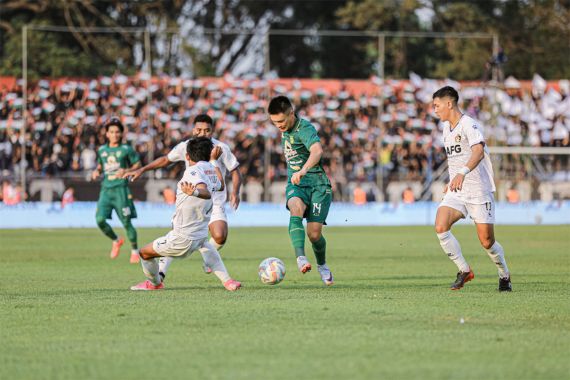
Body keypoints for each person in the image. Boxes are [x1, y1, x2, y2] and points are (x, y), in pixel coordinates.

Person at [124, 114, 242, 280]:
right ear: (193, 129)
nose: (202, 133)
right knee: (178, 236)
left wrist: (235, 192)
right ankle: (162, 272)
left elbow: (235, 170)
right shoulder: (187, 146)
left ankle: (208, 260)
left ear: (212, 131)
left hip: (214, 200)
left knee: (220, 235)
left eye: (207, 130)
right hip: (192, 200)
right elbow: (166, 160)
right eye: (199, 129)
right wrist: (142, 170)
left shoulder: (220, 148)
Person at [432, 86, 511, 291]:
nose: (435, 110)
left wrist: (462, 173)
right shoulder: (445, 129)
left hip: (478, 190)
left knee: (487, 242)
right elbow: (455, 160)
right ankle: (464, 270)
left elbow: (478, 151)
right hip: (458, 190)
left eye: (437, 105)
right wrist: (453, 179)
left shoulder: (469, 124)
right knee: (441, 226)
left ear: (449, 104)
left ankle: (504, 275)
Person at [267, 95, 334, 286]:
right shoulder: (285, 129)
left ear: (291, 114)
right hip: (296, 185)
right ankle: (301, 258)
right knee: (295, 207)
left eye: (281, 121)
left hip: (318, 185)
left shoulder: (305, 128)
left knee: (314, 234)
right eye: (274, 122)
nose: (278, 125)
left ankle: (322, 265)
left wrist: (303, 170)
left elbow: (317, 151)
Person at [92, 118, 141, 264]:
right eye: (111, 132)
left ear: (121, 134)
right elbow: (101, 165)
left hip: (121, 190)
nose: (114, 134)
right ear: (107, 134)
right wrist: (96, 171)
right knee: (100, 219)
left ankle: (134, 251)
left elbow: (137, 164)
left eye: (117, 132)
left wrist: (126, 170)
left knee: (126, 222)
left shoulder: (126, 149)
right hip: (106, 190)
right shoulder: (102, 150)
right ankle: (116, 240)